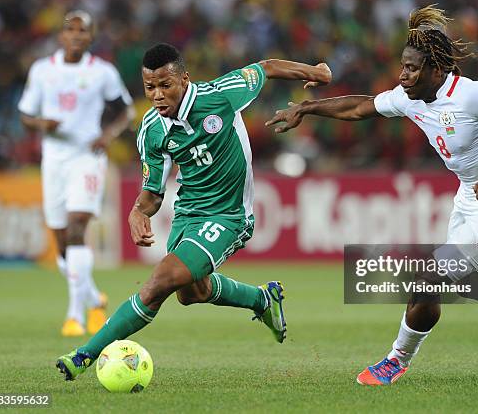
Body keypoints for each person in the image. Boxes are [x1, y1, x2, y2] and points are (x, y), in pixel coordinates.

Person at [266, 5, 478, 386]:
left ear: (435, 70)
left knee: (428, 279)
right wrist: (308, 108)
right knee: (472, 282)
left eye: (411, 68)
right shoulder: (409, 96)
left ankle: (396, 360)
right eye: (403, 66)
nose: (403, 75)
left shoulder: (474, 95)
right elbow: (361, 107)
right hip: (469, 197)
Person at [55, 43, 332, 380]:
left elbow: (266, 67)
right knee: (191, 293)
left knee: (159, 282)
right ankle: (262, 300)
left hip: (229, 216)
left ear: (184, 80)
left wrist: (315, 72)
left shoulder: (220, 96)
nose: (157, 95)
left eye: (165, 85)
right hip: (188, 213)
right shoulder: (152, 130)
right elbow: (154, 192)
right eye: (150, 87)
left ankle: (84, 354)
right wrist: (137, 212)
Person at [18, 11, 134, 337]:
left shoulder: (102, 73)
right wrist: (42, 124)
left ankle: (75, 316)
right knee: (62, 246)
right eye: (70, 29)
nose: (76, 35)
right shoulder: (42, 71)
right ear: (61, 35)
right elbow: (25, 114)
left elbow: (126, 110)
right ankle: (96, 299)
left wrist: (107, 135)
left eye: (83, 30)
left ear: (91, 37)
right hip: (53, 161)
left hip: (87, 157)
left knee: (77, 226)